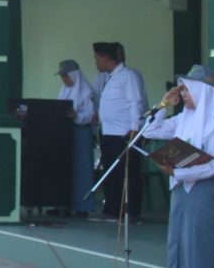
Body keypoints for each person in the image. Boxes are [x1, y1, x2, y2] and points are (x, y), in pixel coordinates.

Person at [142, 65, 214, 267]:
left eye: (186, 89)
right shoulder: (183, 119)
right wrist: (164, 104)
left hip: (204, 193)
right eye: (182, 89)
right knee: (178, 242)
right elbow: (149, 131)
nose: (183, 94)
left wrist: (176, 171)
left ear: (202, 92)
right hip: (180, 190)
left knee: (201, 244)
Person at [91, 41, 146, 223]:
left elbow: (135, 102)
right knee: (111, 172)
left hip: (124, 132)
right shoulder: (108, 77)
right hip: (108, 132)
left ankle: (131, 212)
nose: (96, 62)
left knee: (128, 173)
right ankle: (112, 210)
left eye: (97, 58)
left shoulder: (127, 76)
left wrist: (135, 128)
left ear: (106, 58)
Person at [56, 59, 96, 218]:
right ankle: (64, 204)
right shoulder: (64, 90)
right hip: (66, 133)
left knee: (82, 169)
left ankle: (82, 206)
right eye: (62, 77)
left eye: (66, 76)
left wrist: (76, 115)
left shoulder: (86, 91)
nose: (64, 80)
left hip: (81, 133)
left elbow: (91, 115)